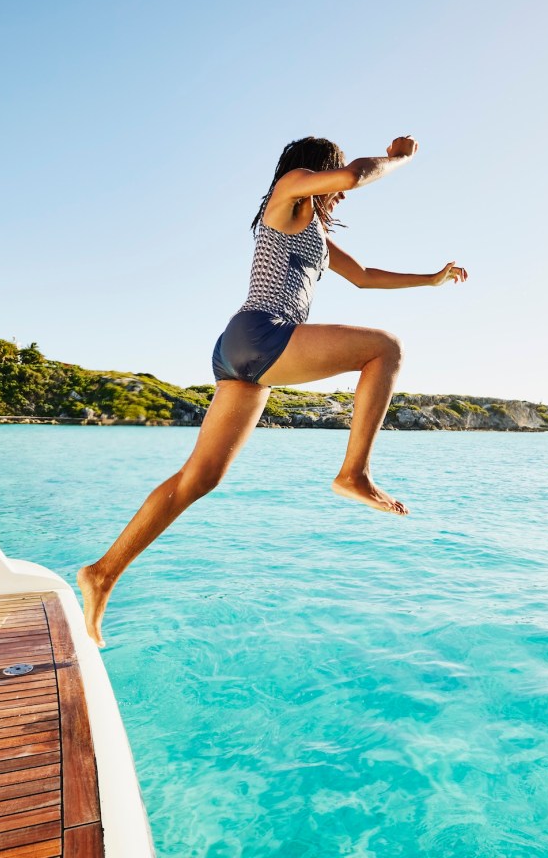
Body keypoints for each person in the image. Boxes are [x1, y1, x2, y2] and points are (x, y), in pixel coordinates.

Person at [78, 135, 467, 645]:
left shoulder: (316, 234)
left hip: (241, 351)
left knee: (198, 479)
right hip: (263, 331)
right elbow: (353, 176)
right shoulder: (287, 192)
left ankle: (102, 573)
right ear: (315, 169)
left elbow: (366, 277)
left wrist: (432, 280)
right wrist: (399, 160)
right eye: (333, 179)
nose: (342, 195)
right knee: (385, 348)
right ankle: (354, 474)